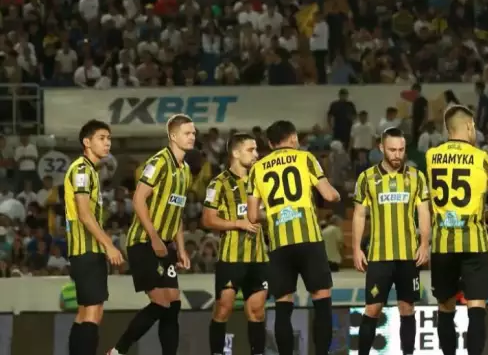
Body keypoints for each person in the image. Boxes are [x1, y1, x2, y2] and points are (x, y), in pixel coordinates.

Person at [247, 120, 341, 355]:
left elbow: (252, 215)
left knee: (283, 306)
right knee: (322, 301)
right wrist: (338, 195)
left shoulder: (257, 168)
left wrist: (276, 213)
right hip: (309, 239)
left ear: (270, 144)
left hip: (279, 244)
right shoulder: (305, 158)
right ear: (293, 138)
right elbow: (329, 195)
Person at [425, 105, 488, 355]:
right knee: (476, 307)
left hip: (442, 244)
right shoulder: (482, 158)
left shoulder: (431, 156)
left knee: (445, 308)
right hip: (474, 242)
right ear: (470, 127)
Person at [108, 114, 195, 355]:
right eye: (187, 133)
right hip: (144, 242)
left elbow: (177, 211)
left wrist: (181, 248)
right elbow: (138, 199)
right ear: (173, 136)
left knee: (173, 304)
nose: (192, 137)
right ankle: (117, 351)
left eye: (193, 133)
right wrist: (155, 237)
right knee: (161, 302)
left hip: (165, 245)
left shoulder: (186, 170)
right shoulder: (159, 162)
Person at [352, 127, 431, 355]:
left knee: (407, 308)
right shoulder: (367, 178)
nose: (397, 154)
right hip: (379, 255)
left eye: (401, 150)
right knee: (372, 309)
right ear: (381, 148)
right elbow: (359, 214)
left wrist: (424, 244)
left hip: (408, 255)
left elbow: (424, 212)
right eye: (392, 150)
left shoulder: (416, 177)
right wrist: (356, 248)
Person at [202, 133, 268, 355]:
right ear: (236, 153)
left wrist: (265, 216)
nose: (256, 154)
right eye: (251, 150)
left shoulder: (260, 181)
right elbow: (208, 219)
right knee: (224, 308)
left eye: (256, 149)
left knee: (257, 311)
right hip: (231, 258)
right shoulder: (219, 183)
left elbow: (269, 213)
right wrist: (238, 223)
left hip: (259, 257)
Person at [65, 120, 124, 355]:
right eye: (101, 138)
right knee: (92, 312)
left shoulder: (90, 170)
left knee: (87, 312)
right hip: (86, 249)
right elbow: (84, 214)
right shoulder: (82, 169)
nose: (107, 143)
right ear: (87, 142)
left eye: (109, 138)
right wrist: (109, 245)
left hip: (88, 250)